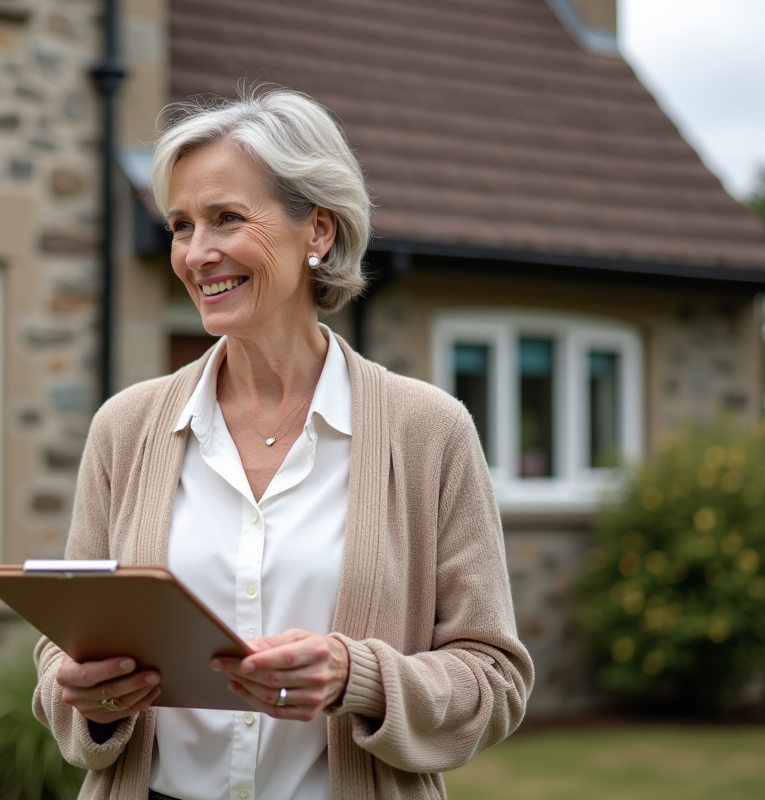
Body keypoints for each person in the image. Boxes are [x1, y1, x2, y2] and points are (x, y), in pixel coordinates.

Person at [33, 87, 533, 800]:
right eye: (180, 225)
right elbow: (63, 649)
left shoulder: (430, 431)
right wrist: (87, 694)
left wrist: (357, 678)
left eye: (226, 219)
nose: (197, 254)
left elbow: (495, 678)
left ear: (319, 232)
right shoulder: (127, 427)